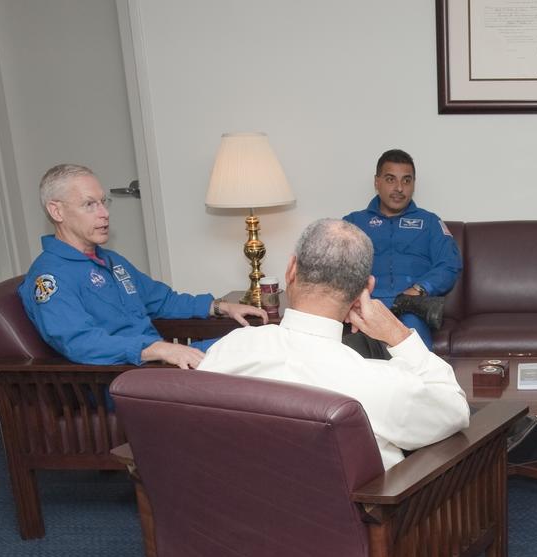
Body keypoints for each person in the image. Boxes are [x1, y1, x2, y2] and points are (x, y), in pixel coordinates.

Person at [198, 218, 470, 470]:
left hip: (233, 514)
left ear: (291, 270)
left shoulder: (226, 351)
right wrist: (398, 335)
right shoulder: (379, 384)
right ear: (366, 289)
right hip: (344, 520)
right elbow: (454, 409)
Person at [20, 164, 264, 369]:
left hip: (158, 364)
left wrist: (221, 307)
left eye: (104, 202)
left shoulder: (110, 260)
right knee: (255, 363)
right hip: (123, 377)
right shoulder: (50, 277)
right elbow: (79, 342)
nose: (104, 213)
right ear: (57, 211)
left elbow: (163, 301)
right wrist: (156, 349)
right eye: (89, 205)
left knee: (261, 341)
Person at [343, 149, 462, 350]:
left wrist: (420, 289)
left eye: (407, 181)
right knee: (356, 359)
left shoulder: (429, 222)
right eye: (391, 179)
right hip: (367, 307)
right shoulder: (353, 223)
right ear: (376, 182)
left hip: (410, 308)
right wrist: (349, 298)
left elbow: (450, 264)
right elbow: (334, 268)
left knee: (412, 353)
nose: (399, 188)